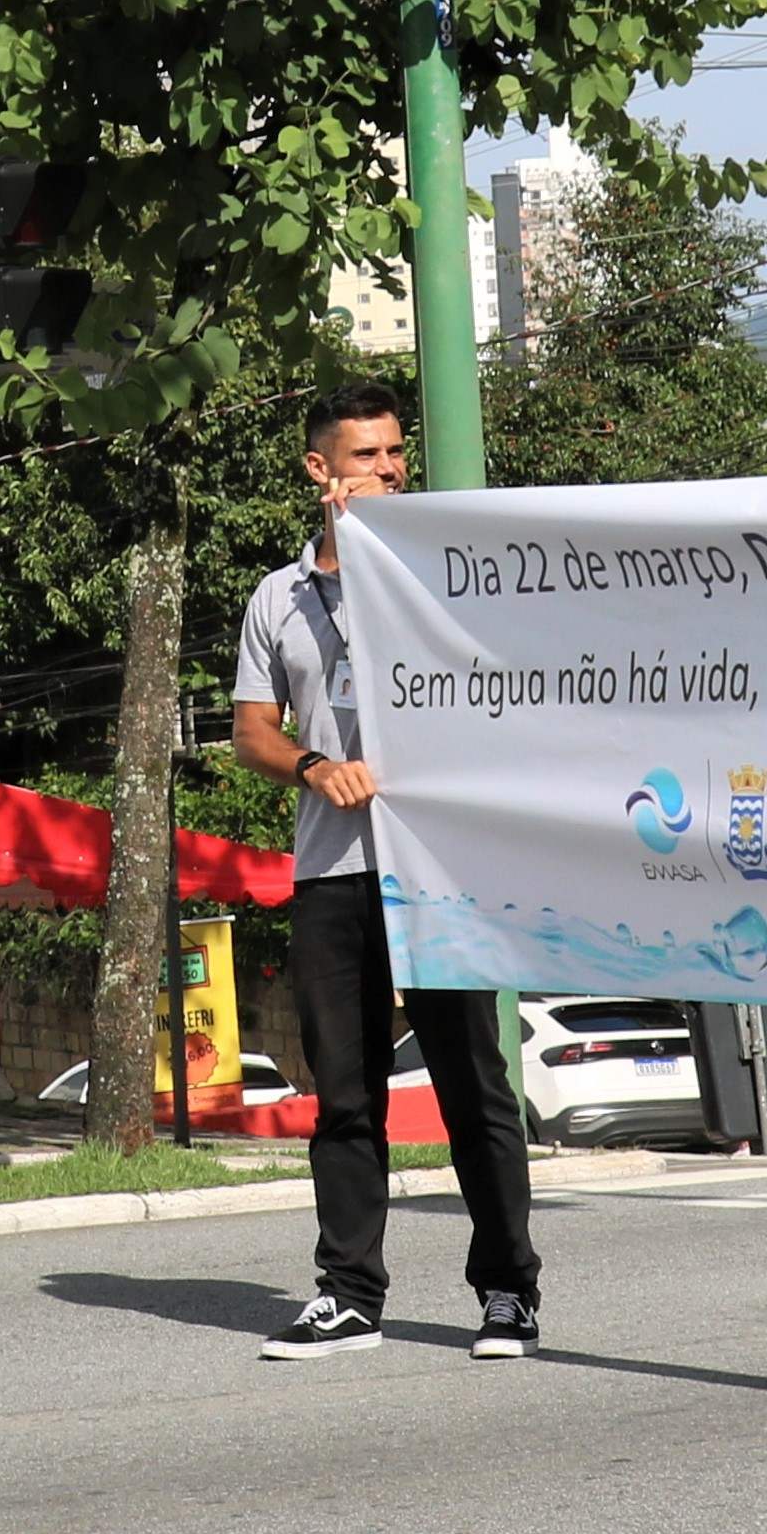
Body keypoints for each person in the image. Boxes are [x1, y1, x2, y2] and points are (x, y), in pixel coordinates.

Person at [230, 383, 543, 1362]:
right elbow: (251, 732)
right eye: (363, 455)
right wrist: (313, 767)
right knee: (346, 1090)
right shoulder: (276, 597)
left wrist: (376, 572)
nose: (388, 468)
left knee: (469, 1083)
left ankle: (506, 1290)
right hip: (331, 871)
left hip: (436, 867)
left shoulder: (434, 577)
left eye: (395, 452)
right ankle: (348, 1292)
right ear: (319, 469)